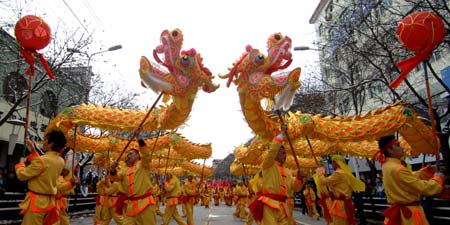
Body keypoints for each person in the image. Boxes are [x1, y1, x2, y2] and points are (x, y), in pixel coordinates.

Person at [375, 135, 445, 225]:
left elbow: (408, 178)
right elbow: (423, 187)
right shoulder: (397, 169)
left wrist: (426, 171)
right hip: (410, 215)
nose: (401, 147)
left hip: (401, 212)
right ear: (389, 150)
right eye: (398, 145)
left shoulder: (387, 166)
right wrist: (438, 178)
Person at [249, 124, 305, 225]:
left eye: (285, 153)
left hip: (284, 207)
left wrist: (299, 179)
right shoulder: (268, 165)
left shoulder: (287, 171)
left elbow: (295, 188)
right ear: (276, 154)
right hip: (269, 205)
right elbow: (272, 151)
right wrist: (282, 134)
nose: (285, 156)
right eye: (282, 153)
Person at [15, 130, 67, 225]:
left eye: (46, 140)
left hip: (37, 201)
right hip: (50, 202)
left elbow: (22, 175)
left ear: (51, 144)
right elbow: (43, 166)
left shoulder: (43, 160)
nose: (43, 142)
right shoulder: (61, 161)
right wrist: (33, 152)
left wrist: (20, 164)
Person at [109, 139, 156, 225]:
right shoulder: (125, 170)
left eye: (130, 154)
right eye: (127, 155)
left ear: (138, 156)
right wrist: (112, 170)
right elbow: (114, 178)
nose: (128, 156)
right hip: (130, 206)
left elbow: (146, 155)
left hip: (145, 204)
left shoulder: (144, 165)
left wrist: (140, 140)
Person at [316, 154, 366, 225]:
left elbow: (323, 181)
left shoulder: (338, 173)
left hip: (340, 205)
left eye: (332, 163)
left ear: (335, 163)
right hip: (345, 203)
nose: (332, 165)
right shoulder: (345, 172)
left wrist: (320, 173)